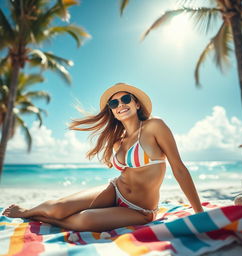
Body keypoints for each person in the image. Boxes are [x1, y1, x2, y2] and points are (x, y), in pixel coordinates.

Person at [2, 83, 203, 232]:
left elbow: (179, 168)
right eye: (114, 103)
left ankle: (42, 218)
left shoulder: (154, 126)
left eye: (126, 99)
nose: (120, 105)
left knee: (85, 220)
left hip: (141, 209)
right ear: (112, 111)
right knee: (58, 207)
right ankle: (28, 212)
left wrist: (199, 212)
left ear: (137, 104)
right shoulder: (119, 141)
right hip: (114, 190)